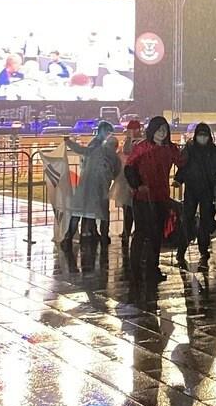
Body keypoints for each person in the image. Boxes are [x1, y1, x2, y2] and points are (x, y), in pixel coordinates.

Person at [122, 117, 181, 294]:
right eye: (159, 129)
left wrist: (179, 179)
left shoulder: (171, 149)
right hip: (142, 197)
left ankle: (152, 269)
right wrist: (137, 185)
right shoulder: (142, 148)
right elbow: (129, 168)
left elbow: (183, 164)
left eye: (165, 130)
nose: (162, 133)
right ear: (152, 131)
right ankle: (135, 272)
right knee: (141, 234)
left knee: (156, 235)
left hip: (161, 197)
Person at [176, 122, 216, 273]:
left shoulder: (213, 150)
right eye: (200, 134)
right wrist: (179, 179)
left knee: (205, 221)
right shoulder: (190, 149)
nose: (202, 138)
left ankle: (204, 252)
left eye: (205, 135)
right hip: (191, 189)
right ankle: (181, 249)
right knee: (187, 219)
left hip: (207, 189)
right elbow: (183, 166)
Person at [64, 122, 119, 247]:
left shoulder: (98, 149)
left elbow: (82, 151)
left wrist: (69, 143)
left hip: (89, 187)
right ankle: (98, 235)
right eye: (108, 132)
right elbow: (116, 172)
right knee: (98, 213)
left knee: (80, 212)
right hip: (96, 188)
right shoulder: (103, 151)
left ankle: (74, 236)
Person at [110, 118, 143, 247]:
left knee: (133, 209)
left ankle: (130, 232)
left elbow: (128, 152)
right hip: (126, 180)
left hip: (134, 180)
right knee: (128, 208)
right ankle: (127, 231)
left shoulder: (138, 142)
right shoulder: (129, 142)